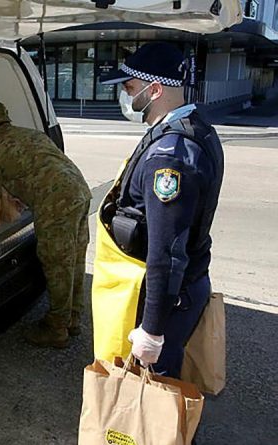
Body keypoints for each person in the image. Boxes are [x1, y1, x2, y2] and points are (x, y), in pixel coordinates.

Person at [94, 42, 224, 378]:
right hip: (180, 289)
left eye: (129, 87)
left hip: (167, 297)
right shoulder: (193, 126)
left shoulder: (170, 156)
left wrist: (151, 330)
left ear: (154, 89)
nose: (125, 95)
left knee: (155, 400)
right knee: (162, 397)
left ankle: (176, 434)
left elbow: (167, 251)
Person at [0, 102, 91, 348]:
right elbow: (35, 169)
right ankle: (73, 318)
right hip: (80, 191)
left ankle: (56, 329)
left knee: (57, 263)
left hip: (55, 203)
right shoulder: (31, 134)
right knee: (74, 259)